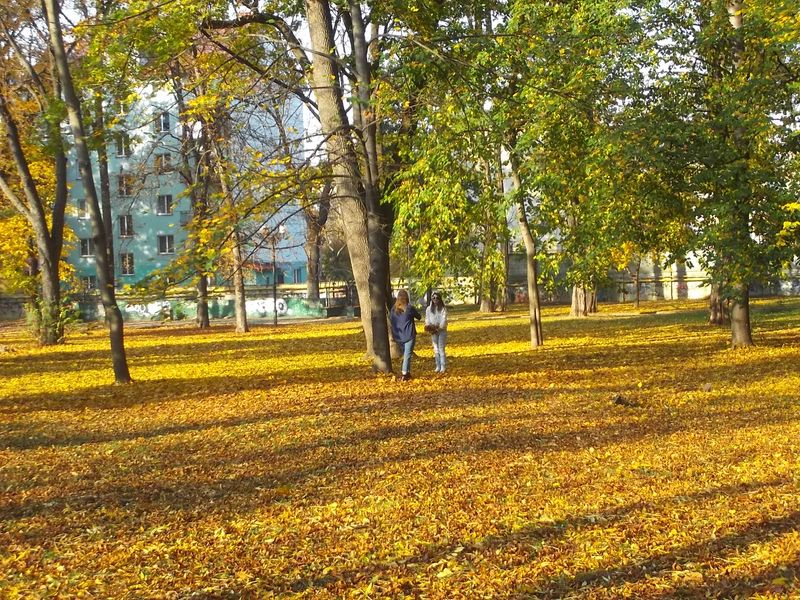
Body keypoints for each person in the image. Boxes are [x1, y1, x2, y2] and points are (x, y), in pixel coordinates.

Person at [390, 289, 421, 381]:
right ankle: (404, 373)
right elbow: (419, 316)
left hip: (398, 336)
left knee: (405, 354)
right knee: (407, 355)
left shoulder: (393, 309)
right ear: (407, 297)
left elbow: (391, 320)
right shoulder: (409, 308)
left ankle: (407, 372)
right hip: (409, 335)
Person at [425, 291, 448, 373]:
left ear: (440, 299)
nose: (435, 300)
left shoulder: (443, 309)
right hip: (433, 331)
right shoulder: (428, 309)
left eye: (437, 298)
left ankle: (443, 366)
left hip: (441, 331)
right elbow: (427, 319)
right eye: (433, 298)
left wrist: (439, 327)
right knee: (435, 349)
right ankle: (437, 366)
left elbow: (444, 320)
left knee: (441, 348)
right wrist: (429, 326)